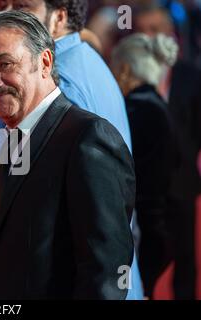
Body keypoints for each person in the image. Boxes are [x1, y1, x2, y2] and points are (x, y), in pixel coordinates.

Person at [0, 0, 143, 300]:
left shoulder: (88, 135)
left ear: (46, 64)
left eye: (5, 65)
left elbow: (105, 274)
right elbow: (39, 242)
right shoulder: (18, 132)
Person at [134, 5, 201, 299]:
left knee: (185, 258)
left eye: (155, 29)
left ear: (171, 33)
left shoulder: (192, 76)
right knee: (144, 259)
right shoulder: (130, 78)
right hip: (143, 189)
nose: (149, 38)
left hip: (182, 185)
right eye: (142, 31)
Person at [110, 33, 180, 298]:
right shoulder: (159, 106)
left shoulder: (137, 110)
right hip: (158, 230)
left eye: (114, 70)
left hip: (145, 234)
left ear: (125, 69)